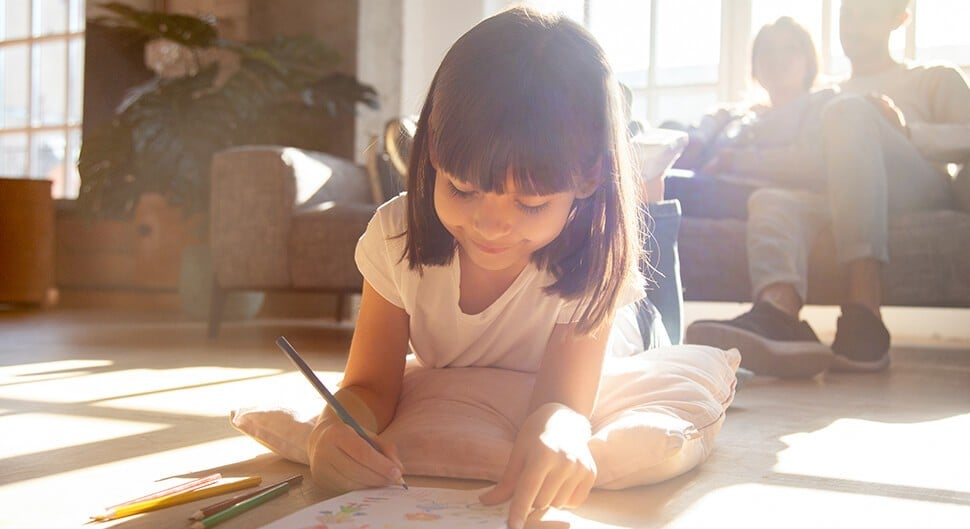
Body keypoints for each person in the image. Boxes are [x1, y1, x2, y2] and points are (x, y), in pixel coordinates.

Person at [304, 7, 736, 529]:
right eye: (463, 189)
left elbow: (562, 403)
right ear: (434, 152)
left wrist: (560, 430)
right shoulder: (396, 236)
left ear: (586, 178)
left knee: (662, 303)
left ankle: (649, 182)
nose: (491, 226)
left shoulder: (596, 250)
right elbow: (369, 387)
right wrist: (332, 429)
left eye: (530, 204)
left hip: (630, 324)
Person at [685, 0, 970, 377]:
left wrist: (908, 131)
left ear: (899, 19)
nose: (853, 25)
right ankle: (779, 313)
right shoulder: (821, 97)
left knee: (847, 111)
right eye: (848, 15)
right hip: (839, 195)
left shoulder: (932, 78)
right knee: (772, 200)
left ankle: (864, 311)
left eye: (868, 14)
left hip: (914, 189)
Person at [665, 16, 838, 219]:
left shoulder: (819, 105)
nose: (776, 58)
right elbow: (713, 117)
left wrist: (733, 161)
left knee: (645, 188)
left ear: (809, 62)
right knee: (666, 130)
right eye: (767, 50)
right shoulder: (742, 113)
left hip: (745, 191)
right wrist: (699, 138)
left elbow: (809, 161)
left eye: (790, 48)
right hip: (704, 179)